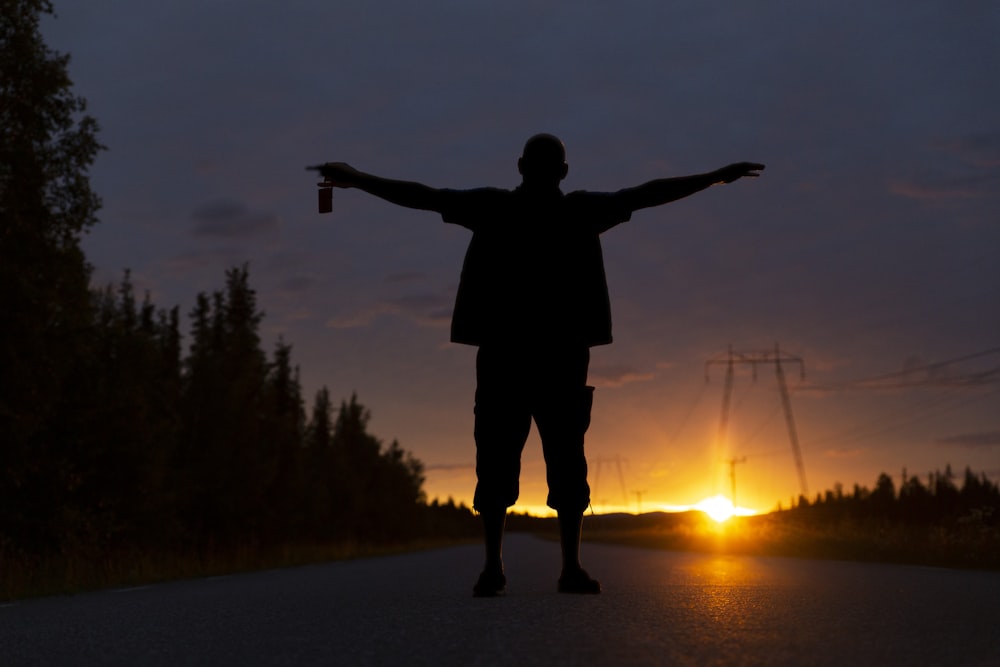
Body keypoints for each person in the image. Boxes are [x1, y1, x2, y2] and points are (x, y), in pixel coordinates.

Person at [313, 134, 763, 596]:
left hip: (502, 356)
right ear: (563, 172)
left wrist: (358, 179)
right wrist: (713, 178)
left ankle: (493, 568)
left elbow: (423, 197)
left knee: (495, 458)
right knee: (567, 459)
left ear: (520, 166)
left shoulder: (492, 208)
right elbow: (647, 194)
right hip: (563, 357)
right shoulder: (582, 211)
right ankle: (570, 568)